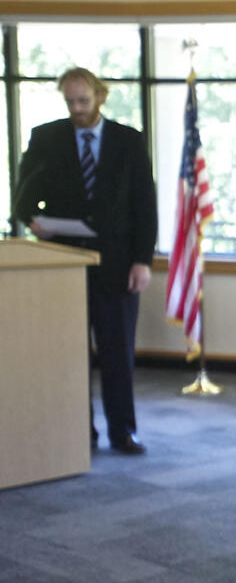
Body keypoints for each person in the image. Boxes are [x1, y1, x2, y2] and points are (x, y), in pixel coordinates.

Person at [13, 66, 157, 456]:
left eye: (83, 101)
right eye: (69, 101)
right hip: (63, 264)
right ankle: (79, 429)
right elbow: (24, 194)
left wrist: (142, 261)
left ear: (99, 96)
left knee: (117, 352)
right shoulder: (46, 138)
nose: (77, 109)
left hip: (118, 265)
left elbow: (145, 206)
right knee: (68, 352)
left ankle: (122, 431)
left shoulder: (129, 141)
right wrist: (32, 220)